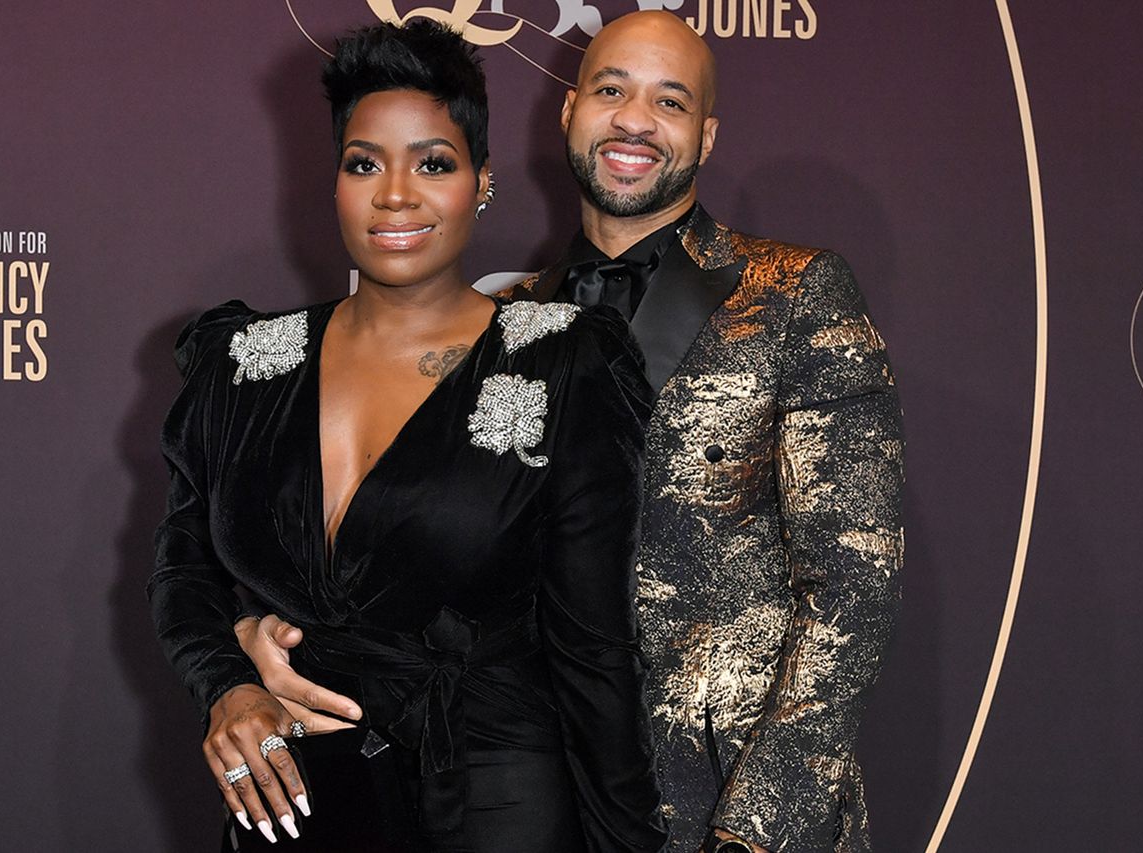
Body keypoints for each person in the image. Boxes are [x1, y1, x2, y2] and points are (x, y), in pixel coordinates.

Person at [239, 10, 904, 853]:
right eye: (611, 90)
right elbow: (416, 554)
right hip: (538, 803)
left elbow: (853, 584)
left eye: (669, 102)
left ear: (705, 136)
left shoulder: (796, 294)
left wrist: (756, 827)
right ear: (569, 110)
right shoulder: (502, 328)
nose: (634, 120)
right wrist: (249, 637)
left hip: (726, 807)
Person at [148, 20, 668, 853]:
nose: (395, 194)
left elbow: (596, 647)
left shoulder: (560, 365)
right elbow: (185, 569)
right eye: (365, 163)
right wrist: (227, 686)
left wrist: (630, 842)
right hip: (296, 808)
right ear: (335, 181)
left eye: (433, 163)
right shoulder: (243, 367)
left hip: (494, 803)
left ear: (482, 180)